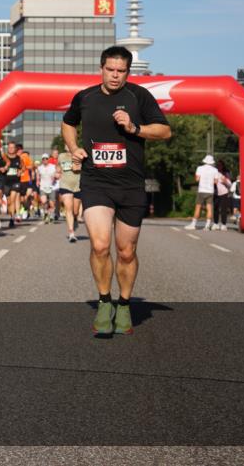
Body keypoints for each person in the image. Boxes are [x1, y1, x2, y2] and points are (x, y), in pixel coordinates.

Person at [61, 45, 171, 336]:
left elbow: (164, 131)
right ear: (101, 68)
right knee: (99, 245)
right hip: (96, 182)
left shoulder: (139, 96)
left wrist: (134, 128)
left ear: (128, 72)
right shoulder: (85, 97)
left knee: (125, 251)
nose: (115, 76)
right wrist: (74, 149)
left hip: (131, 185)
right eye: (110, 70)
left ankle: (123, 303)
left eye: (121, 71)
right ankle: (104, 301)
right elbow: (68, 123)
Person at [56, 144, 84, 242]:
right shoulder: (61, 156)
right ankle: (71, 233)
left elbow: (84, 168)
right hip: (65, 185)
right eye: (66, 144)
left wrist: (78, 167)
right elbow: (58, 167)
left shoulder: (79, 155)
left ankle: (75, 218)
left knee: (75, 211)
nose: (68, 146)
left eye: (70, 144)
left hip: (77, 185)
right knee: (68, 208)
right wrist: (57, 172)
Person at [186, 155, 218, 230]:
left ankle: (193, 224)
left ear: (205, 161)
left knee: (198, 207)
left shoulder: (199, 168)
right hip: (210, 191)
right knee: (209, 208)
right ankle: (207, 225)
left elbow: (197, 179)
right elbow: (216, 182)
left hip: (201, 190)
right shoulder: (215, 170)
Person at [0, 141, 23, 228]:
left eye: (12, 147)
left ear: (15, 149)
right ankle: (11, 217)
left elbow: (23, 167)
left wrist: (20, 171)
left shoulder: (18, 158)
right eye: (9, 147)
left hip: (16, 182)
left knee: (13, 199)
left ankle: (13, 218)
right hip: (6, 182)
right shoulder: (4, 157)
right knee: (9, 202)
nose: (10, 149)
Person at [37, 154, 58, 224]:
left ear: (48, 159)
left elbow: (57, 174)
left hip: (51, 187)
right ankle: (46, 213)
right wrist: (37, 181)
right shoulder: (40, 168)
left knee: (52, 204)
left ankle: (51, 215)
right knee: (43, 201)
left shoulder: (53, 167)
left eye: (46, 159)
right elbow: (38, 176)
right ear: (42, 160)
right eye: (43, 159)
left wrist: (55, 177)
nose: (45, 160)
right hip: (43, 186)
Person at [212, 160, 232, 231]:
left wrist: (225, 181)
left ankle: (224, 224)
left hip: (224, 193)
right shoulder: (214, 173)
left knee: (223, 209)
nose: (219, 167)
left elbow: (230, 184)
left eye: (220, 165)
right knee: (215, 208)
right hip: (216, 192)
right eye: (218, 165)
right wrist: (213, 182)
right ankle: (215, 223)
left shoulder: (226, 173)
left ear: (223, 166)